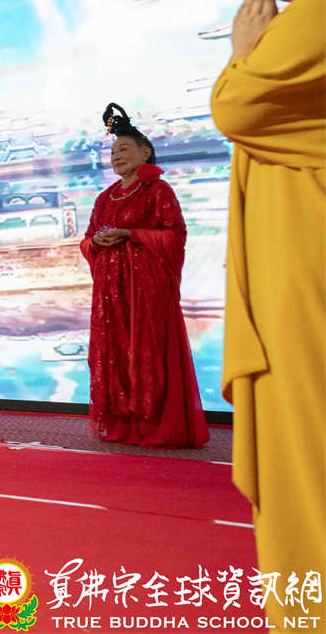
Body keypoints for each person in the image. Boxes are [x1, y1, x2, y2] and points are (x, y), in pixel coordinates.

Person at [211, 0, 324, 616]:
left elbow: (238, 107)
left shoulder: (312, 19)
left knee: (306, 463)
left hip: (304, 270)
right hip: (300, 255)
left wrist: (242, 52)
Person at [79, 104, 208, 448]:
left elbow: (175, 236)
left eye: (124, 149)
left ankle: (154, 426)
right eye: (113, 152)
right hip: (111, 292)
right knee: (114, 353)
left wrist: (130, 234)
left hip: (147, 291)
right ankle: (123, 423)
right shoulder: (104, 198)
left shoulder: (158, 190)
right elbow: (87, 239)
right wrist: (97, 242)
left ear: (145, 152)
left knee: (148, 352)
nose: (117, 157)